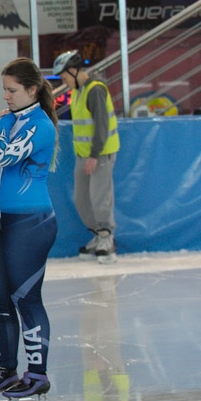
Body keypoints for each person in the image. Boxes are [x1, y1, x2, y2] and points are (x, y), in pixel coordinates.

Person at [0, 58, 59, 400]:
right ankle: (7, 371)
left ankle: (37, 375)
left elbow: (3, 159)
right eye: (4, 90)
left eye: (12, 90)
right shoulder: (14, 122)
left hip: (33, 223)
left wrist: (2, 126)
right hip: (5, 222)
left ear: (32, 90)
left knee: (26, 298)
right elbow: (3, 181)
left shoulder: (40, 126)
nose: (6, 96)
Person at [52, 50, 120, 262]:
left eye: (64, 78)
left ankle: (106, 238)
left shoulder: (95, 90)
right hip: (84, 155)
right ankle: (97, 235)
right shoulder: (78, 91)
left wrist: (93, 155)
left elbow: (101, 124)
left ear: (73, 71)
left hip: (99, 154)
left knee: (100, 198)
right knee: (81, 199)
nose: (64, 83)